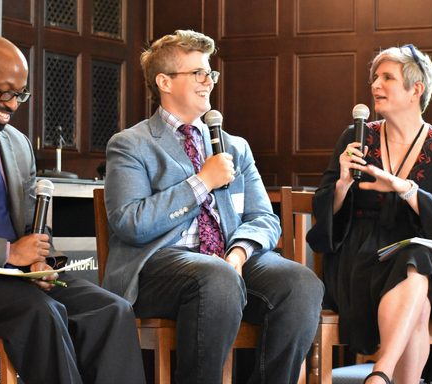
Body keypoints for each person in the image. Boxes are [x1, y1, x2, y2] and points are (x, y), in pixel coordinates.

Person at [104, 29, 324, 384]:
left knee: (300, 283)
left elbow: (264, 219)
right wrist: (202, 182)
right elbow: (131, 223)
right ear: (164, 81)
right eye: (198, 73)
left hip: (227, 263)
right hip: (161, 267)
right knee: (215, 277)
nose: (208, 81)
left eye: (211, 73)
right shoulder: (131, 144)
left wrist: (238, 254)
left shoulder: (234, 146)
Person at [0, 36, 146, 384]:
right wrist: (9, 252)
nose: (14, 104)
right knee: (42, 313)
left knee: (112, 310)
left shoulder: (17, 144)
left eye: (20, 94)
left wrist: (37, 259)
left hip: (18, 279)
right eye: (5, 93)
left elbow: (34, 225)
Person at [307, 44, 432, 384]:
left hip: (421, 256)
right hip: (358, 259)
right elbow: (324, 219)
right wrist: (341, 184)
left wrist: (405, 189)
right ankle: (381, 375)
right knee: (419, 284)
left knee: (418, 261)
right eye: (375, 78)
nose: (375, 86)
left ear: (416, 89)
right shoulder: (355, 137)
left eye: (387, 78)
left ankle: (379, 373)